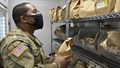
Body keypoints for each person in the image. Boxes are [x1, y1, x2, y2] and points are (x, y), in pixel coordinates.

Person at [0, 2, 71, 68]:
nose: (39, 14)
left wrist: (53, 59)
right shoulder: (17, 43)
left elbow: (38, 59)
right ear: (23, 18)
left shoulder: (27, 36)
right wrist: (57, 65)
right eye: (34, 12)